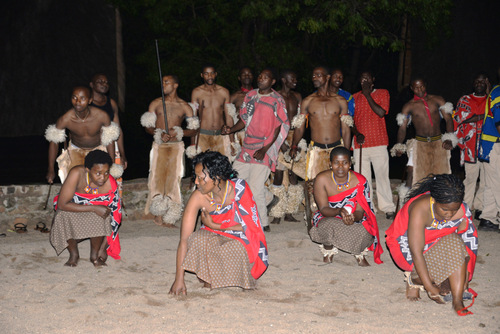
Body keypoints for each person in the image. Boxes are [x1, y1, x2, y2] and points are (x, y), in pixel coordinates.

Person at [169, 151, 268, 295]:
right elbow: (184, 239)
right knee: (197, 240)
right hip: (213, 235)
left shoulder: (239, 189)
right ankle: (212, 279)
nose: (196, 182)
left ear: (216, 178)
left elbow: (252, 227)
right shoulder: (198, 197)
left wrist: (215, 225)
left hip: (239, 236)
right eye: (195, 177)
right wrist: (179, 279)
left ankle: (233, 279)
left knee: (235, 247)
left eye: (201, 178)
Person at [385, 174, 478, 316]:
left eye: (454, 210)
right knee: (441, 282)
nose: (449, 215)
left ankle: (457, 301)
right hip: (405, 247)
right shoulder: (420, 209)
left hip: (436, 242)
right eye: (445, 210)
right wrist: (429, 287)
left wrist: (466, 277)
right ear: (433, 200)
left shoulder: (462, 211)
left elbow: (466, 243)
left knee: (455, 241)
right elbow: (416, 252)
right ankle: (413, 279)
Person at [222, 68, 290, 232]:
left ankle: (263, 224)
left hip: (264, 147)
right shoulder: (250, 96)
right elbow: (244, 119)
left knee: (254, 187)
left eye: (265, 77)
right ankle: (267, 198)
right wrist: (230, 130)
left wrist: (266, 148)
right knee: (234, 181)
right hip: (247, 146)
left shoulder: (277, 100)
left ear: (272, 82)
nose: (261, 79)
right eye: (260, 76)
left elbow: (278, 126)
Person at [289, 66, 352, 222]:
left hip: (336, 149)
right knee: (313, 186)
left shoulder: (340, 101)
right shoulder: (308, 101)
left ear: (327, 77)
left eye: (318, 75)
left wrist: (347, 151)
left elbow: (346, 128)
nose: (314, 78)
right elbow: (300, 126)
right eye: (313, 75)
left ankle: (340, 216)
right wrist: (294, 145)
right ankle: (316, 219)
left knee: (339, 185)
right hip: (316, 150)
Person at [140, 75, 199, 226]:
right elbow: (147, 126)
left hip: (176, 147)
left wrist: (178, 133)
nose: (163, 84)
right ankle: (158, 214)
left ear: (175, 85)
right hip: (159, 145)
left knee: (174, 180)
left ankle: (170, 216)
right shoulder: (156, 103)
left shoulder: (185, 106)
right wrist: (158, 133)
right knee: (157, 179)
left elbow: (193, 130)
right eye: (163, 82)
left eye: (167, 82)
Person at [309, 147, 382, 266]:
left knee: (365, 232)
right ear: (330, 164)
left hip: (353, 218)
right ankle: (329, 250)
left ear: (350, 164)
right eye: (336, 163)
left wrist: (353, 218)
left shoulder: (360, 181)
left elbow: (360, 211)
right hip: (330, 216)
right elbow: (323, 209)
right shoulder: (322, 179)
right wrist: (339, 211)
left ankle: (359, 253)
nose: (340, 167)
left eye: (345, 163)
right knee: (327, 226)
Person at [50, 150, 122, 267]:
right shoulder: (77, 173)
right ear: (88, 170)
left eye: (106, 173)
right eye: (98, 173)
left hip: (98, 220)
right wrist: (93, 208)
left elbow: (115, 218)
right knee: (61, 215)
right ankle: (74, 255)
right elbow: (62, 204)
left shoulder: (111, 184)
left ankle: (94, 256)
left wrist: (103, 247)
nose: (102, 178)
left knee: (101, 215)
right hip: (75, 210)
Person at [45, 86, 121, 184]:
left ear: (90, 100)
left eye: (82, 98)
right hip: (76, 151)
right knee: (76, 184)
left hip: (97, 150)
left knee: (99, 185)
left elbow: (110, 139)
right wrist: (51, 169)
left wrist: (112, 165)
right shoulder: (66, 119)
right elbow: (54, 142)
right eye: (74, 97)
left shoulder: (102, 116)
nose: (78, 101)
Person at [391, 77, 456, 187]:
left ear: (425, 85)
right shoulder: (409, 106)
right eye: (416, 88)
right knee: (411, 172)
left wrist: (449, 138)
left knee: (442, 175)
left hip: (438, 142)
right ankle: (408, 200)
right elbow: (402, 128)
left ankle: (441, 201)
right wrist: (399, 145)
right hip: (420, 143)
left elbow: (449, 119)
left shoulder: (437, 99)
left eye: (421, 86)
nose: (419, 90)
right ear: (412, 88)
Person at [352, 71, 396, 219]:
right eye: (362, 78)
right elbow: (350, 120)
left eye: (368, 78)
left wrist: (367, 94)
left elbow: (381, 112)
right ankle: (367, 207)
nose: (365, 80)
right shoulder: (354, 97)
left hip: (378, 142)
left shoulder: (383, 93)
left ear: (373, 80)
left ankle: (388, 207)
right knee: (363, 178)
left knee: (382, 176)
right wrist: (357, 133)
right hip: (360, 144)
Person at [269, 69, 304, 224]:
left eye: (295, 78)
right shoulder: (275, 96)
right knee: (278, 174)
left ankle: (290, 212)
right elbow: (271, 122)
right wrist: (281, 143)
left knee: (293, 174)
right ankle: (277, 213)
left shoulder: (297, 97)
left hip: (294, 135)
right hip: (279, 136)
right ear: (283, 80)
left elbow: (300, 122)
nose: (295, 81)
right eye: (292, 78)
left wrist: (295, 144)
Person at [453, 72, 488, 224]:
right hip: (470, 145)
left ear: (486, 84)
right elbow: (462, 117)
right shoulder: (465, 99)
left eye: (482, 82)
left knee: (486, 179)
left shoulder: (491, 99)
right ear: (473, 84)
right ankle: (466, 208)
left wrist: (477, 116)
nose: (479, 84)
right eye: (477, 82)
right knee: (470, 178)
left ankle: (480, 207)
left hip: (487, 145)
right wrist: (484, 115)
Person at [89, 73, 127, 194]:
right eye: (100, 82)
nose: (104, 84)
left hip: (112, 146)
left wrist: (122, 154)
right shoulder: (86, 104)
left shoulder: (112, 103)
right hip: (93, 146)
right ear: (92, 85)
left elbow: (118, 129)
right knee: (93, 182)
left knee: (115, 181)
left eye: (106, 82)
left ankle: (115, 208)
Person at [189, 64, 235, 160]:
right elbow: (193, 120)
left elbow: (229, 117)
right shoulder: (197, 92)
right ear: (202, 75)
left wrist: (232, 142)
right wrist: (193, 144)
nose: (209, 76)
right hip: (202, 136)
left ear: (216, 74)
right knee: (203, 169)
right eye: (206, 74)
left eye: (212, 73)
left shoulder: (224, 92)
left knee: (221, 169)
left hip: (220, 136)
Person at [478, 82, 500, 232]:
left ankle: (488, 218)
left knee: (492, 183)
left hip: (490, 144)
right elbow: (499, 122)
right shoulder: (498, 92)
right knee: (498, 181)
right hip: (494, 144)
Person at [228, 67, 254, 153]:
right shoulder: (235, 96)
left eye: (249, 74)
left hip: (257, 135)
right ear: (239, 78)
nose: (247, 76)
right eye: (244, 74)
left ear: (253, 77)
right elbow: (227, 118)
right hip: (240, 135)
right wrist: (231, 142)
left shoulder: (259, 95)